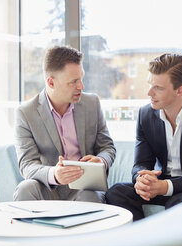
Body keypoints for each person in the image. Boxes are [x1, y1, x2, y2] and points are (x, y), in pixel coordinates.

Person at [105, 53, 182, 220]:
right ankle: (143, 240)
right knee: (117, 192)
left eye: (158, 88)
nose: (149, 92)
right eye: (150, 84)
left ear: (180, 90)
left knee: (179, 203)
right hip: (162, 184)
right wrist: (141, 179)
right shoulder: (145, 114)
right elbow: (141, 163)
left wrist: (164, 187)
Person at [13, 45, 116, 203]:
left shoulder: (92, 103)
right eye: (73, 82)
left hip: (85, 186)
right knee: (24, 189)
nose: (81, 86)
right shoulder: (26, 113)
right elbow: (27, 164)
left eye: (81, 78)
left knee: (90, 196)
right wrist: (54, 174)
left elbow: (107, 147)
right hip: (48, 187)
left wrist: (101, 160)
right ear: (51, 82)